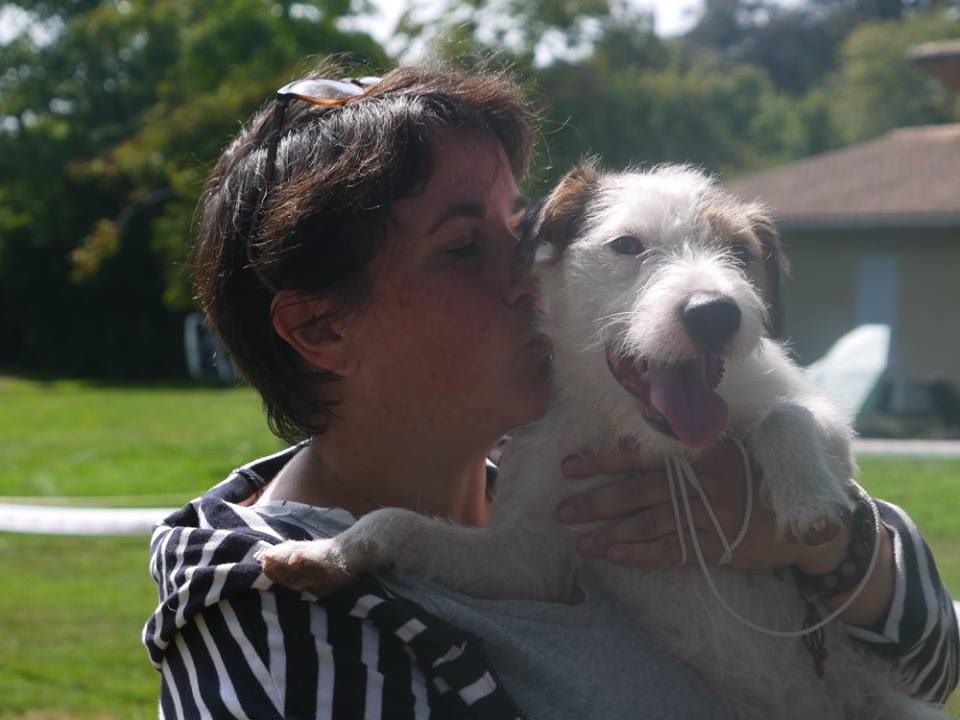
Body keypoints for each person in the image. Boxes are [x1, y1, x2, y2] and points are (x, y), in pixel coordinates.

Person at [143, 60, 958, 719]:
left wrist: (828, 547)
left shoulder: (562, 451)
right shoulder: (271, 621)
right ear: (321, 329)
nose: (534, 276)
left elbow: (936, 664)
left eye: (522, 231)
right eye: (463, 248)